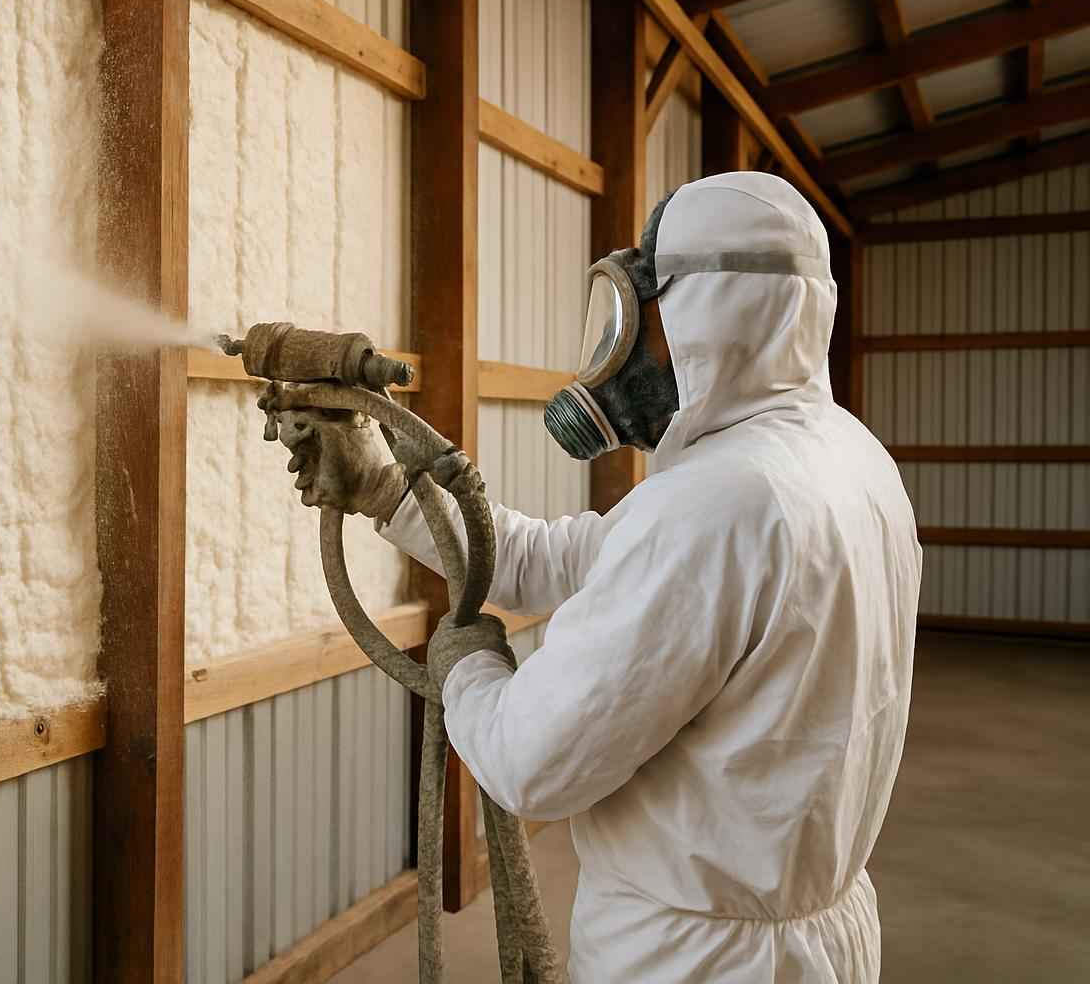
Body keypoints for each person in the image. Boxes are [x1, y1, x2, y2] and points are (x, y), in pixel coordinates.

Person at [286, 172, 920, 981]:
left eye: (632, 319)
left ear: (705, 311)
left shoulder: (716, 503)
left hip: (691, 958)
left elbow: (532, 762)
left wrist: (468, 668)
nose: (615, 353)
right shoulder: (844, 458)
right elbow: (556, 560)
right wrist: (387, 488)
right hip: (819, 934)